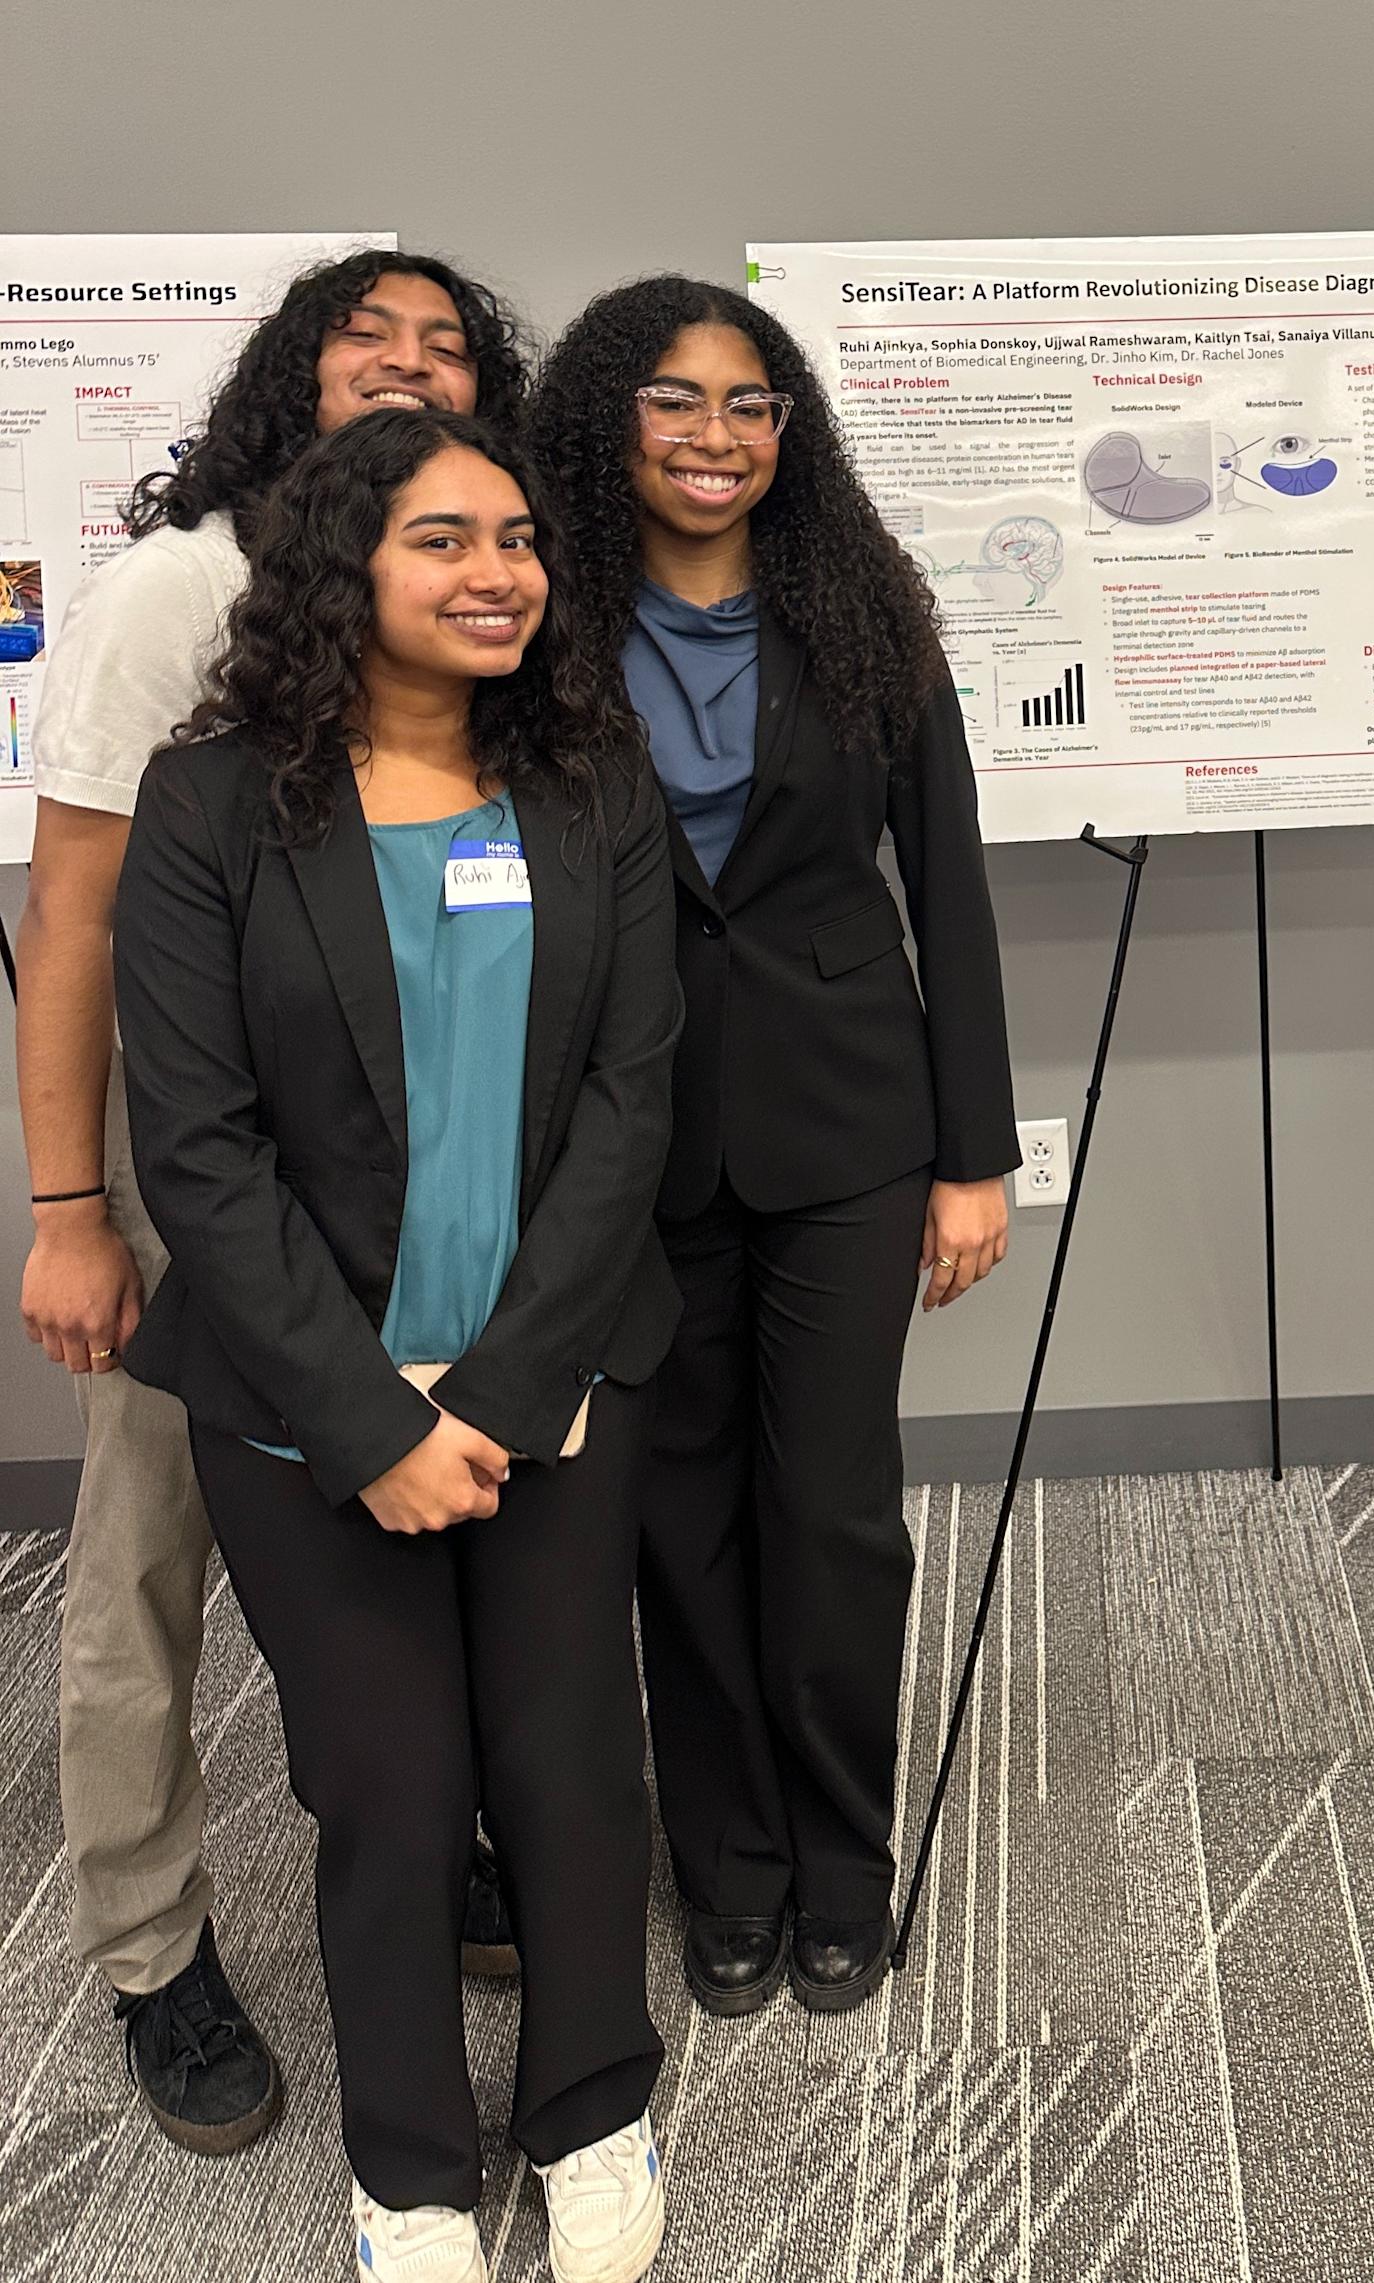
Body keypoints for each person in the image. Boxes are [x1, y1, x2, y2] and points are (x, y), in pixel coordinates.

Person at [112, 410, 678, 2283]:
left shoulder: (593, 780)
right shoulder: (210, 805)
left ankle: (592, 2109)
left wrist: (505, 1398)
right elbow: (194, 1146)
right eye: (443, 539)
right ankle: (412, 2165)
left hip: (554, 1377)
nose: (497, 570)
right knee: (392, 1784)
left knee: (571, 1758)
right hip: (304, 1409)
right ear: (344, 566)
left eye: (516, 537)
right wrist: (374, 1423)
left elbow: (630, 1100)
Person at [16, 248, 529, 2154]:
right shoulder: (184, 586)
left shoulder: (463, 581)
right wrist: (73, 1205)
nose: (407, 369)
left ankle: (435, 1831)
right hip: (202, 1162)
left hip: (411, 1154)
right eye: (365, 343)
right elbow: (69, 904)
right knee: (152, 1553)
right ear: (286, 377)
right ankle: (153, 1950)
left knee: (421, 1494)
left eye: (446, 349)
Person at [529, 278, 1019, 2019]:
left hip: (848, 1130)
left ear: (786, 431)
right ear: (611, 421)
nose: (716, 438)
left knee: (832, 1513)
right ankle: (724, 1870)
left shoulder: (867, 615)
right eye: (675, 401)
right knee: (680, 1520)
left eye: (750, 405)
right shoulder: (545, 625)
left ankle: (840, 1862)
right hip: (625, 1142)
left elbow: (946, 888)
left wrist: (978, 1155)